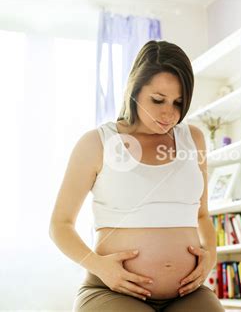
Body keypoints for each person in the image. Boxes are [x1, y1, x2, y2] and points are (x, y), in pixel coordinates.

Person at [49, 40, 225, 312]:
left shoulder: (194, 139)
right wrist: (100, 268)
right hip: (112, 291)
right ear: (134, 91)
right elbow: (60, 225)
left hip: (187, 293)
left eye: (178, 102)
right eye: (158, 100)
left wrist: (210, 257)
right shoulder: (98, 142)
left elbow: (201, 215)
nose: (169, 113)